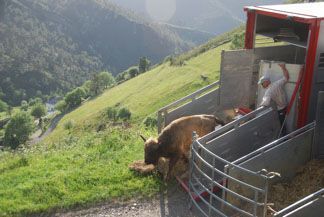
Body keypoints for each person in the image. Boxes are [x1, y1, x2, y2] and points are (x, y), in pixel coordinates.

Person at [259, 63, 289, 128]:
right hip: (285, 106)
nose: (262, 85)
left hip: (280, 109)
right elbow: (286, 77)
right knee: (282, 124)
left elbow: (265, 103)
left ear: (266, 82)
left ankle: (284, 137)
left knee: (281, 126)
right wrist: (283, 67)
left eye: (262, 83)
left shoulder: (268, 91)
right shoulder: (277, 84)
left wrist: (259, 109)